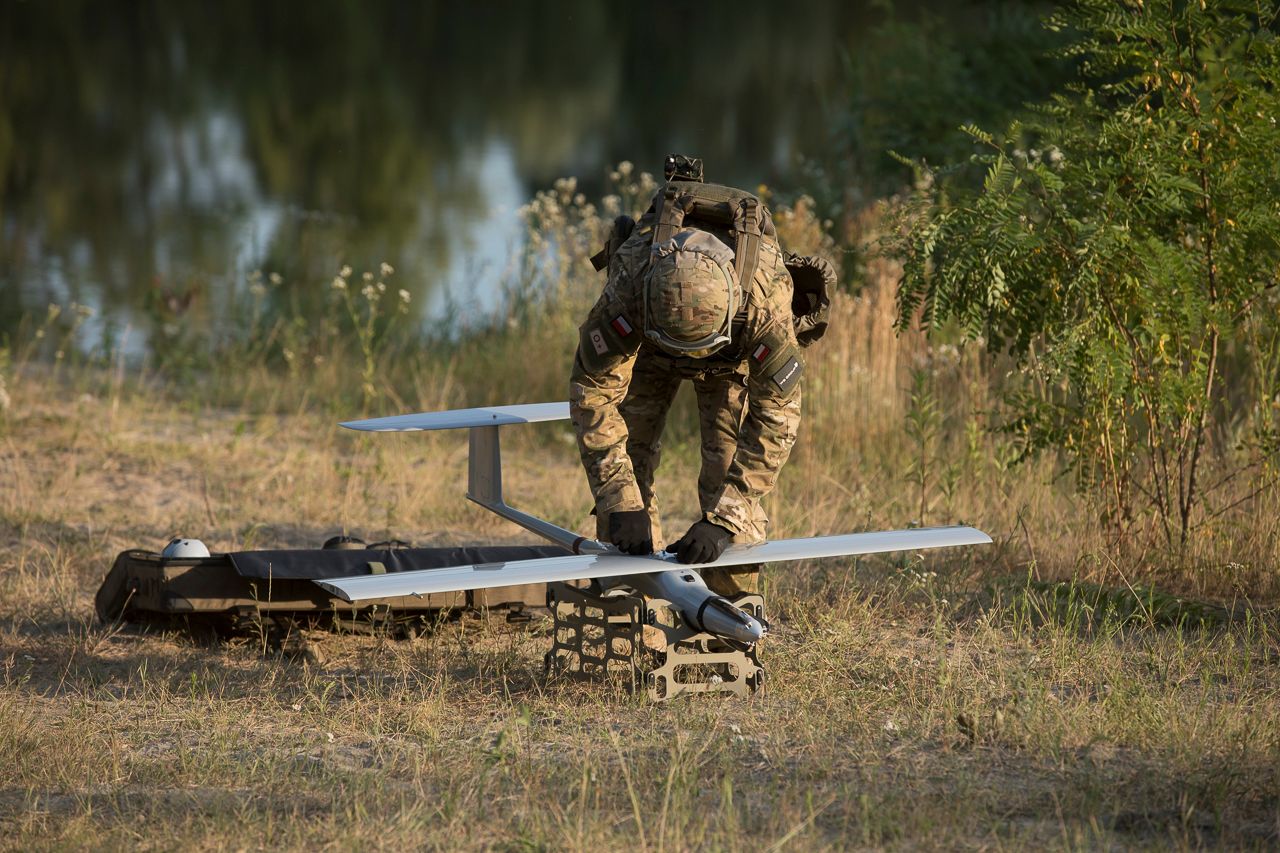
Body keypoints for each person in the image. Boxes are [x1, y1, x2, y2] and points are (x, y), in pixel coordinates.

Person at [569, 155, 831, 595]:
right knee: (626, 471)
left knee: (726, 476)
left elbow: (776, 419)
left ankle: (731, 616)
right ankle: (634, 611)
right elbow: (593, 393)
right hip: (648, 347)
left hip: (730, 358)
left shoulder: (766, 302)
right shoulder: (632, 281)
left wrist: (726, 520)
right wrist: (619, 499)